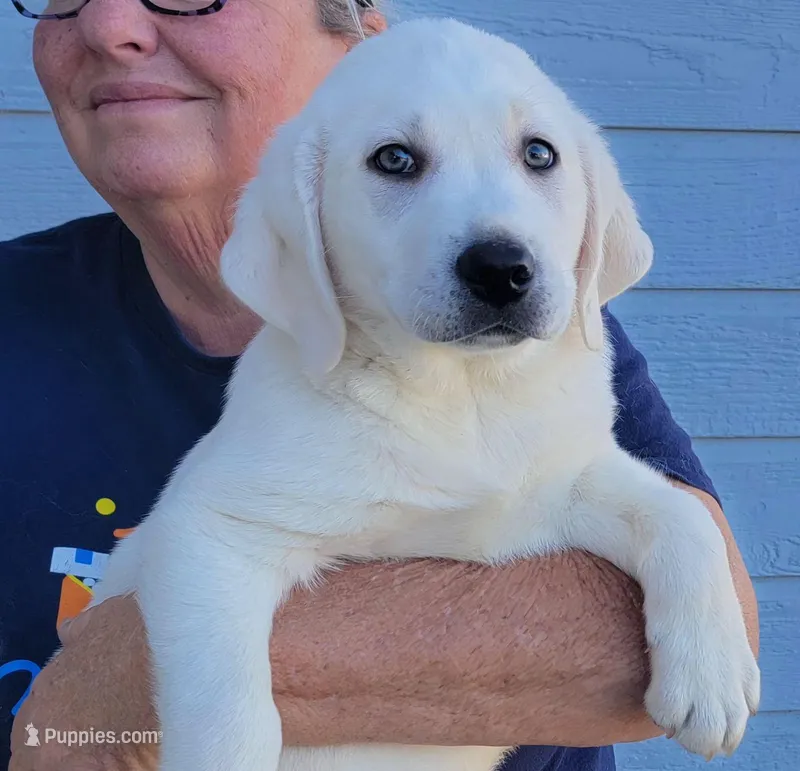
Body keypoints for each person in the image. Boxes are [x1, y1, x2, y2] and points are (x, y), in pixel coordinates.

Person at [0, 0, 759, 768]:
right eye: (397, 161)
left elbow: (663, 613)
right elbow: (217, 544)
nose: (110, 25)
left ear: (353, 32)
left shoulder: (540, 339)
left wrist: (127, 674)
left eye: (536, 155)